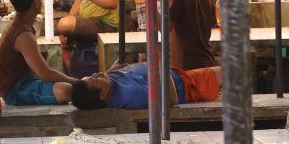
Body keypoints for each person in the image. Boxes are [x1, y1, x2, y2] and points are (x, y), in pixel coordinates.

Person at [0, 0, 77, 105]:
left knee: (65, 85)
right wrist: (78, 82)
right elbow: (45, 74)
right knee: (65, 90)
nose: (41, 1)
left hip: (27, 82)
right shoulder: (22, 34)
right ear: (35, 3)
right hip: (15, 90)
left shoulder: (20, 25)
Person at [71, 61, 222, 110]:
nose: (95, 74)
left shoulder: (107, 86)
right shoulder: (132, 94)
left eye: (90, 76)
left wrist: (111, 70)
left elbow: (103, 81)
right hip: (188, 84)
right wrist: (159, 61)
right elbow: (171, 98)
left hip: (179, 74)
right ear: (103, 94)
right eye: (94, 79)